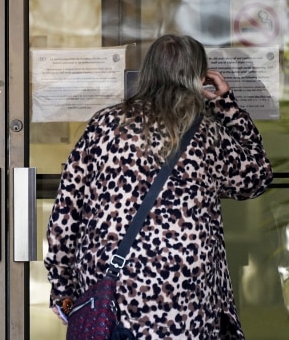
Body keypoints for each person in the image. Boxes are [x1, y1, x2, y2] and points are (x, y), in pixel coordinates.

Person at [44, 34, 273, 339]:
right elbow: (255, 177)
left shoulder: (105, 126)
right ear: (198, 76)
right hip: (187, 288)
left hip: (113, 287)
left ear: (149, 72)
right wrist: (226, 105)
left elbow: (66, 213)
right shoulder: (208, 135)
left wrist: (63, 288)